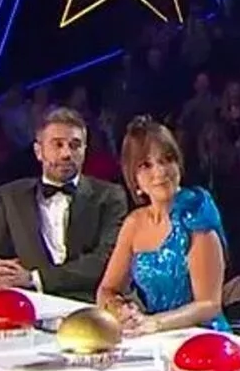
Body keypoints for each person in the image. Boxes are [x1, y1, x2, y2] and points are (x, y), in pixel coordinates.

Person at [0, 106, 128, 301]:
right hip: (28, 305)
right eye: (58, 144)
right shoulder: (11, 197)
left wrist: (34, 279)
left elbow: (107, 261)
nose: (66, 154)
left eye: (75, 145)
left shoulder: (110, 196)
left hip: (88, 304)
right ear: (39, 151)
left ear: (84, 150)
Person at [97, 117, 229, 334]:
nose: (160, 172)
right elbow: (107, 290)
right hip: (154, 336)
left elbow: (209, 304)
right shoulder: (134, 223)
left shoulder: (196, 214)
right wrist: (119, 309)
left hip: (203, 336)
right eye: (146, 165)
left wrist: (156, 323)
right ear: (134, 179)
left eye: (167, 160)